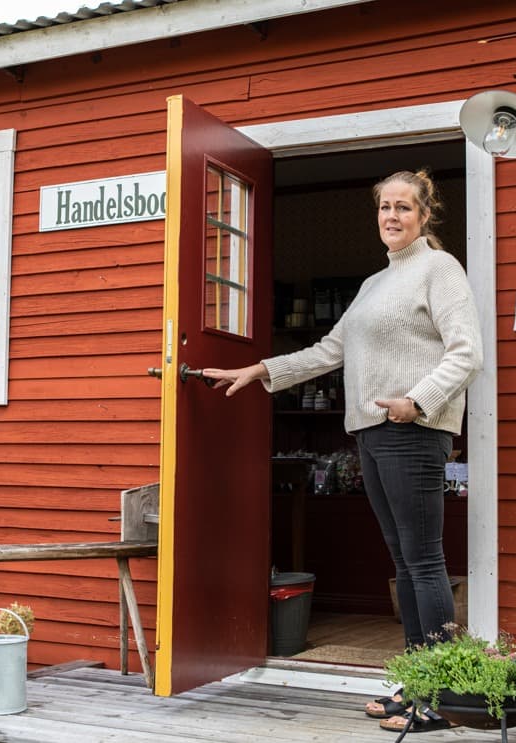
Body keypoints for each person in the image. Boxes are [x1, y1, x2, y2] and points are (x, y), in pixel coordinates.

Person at [202, 169, 483, 734]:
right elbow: (330, 349)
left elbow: (467, 352)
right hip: (372, 433)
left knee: (425, 562)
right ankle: (415, 683)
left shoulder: (440, 269)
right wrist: (261, 369)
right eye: (384, 207)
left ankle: (442, 696)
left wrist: (415, 401)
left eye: (404, 207)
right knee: (403, 563)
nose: (392, 216)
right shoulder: (374, 284)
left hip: (413, 430)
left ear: (424, 215)